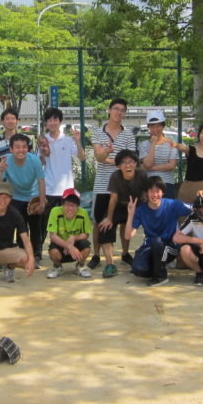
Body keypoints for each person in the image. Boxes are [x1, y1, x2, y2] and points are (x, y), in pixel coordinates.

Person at [89, 98, 137, 270]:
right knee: (99, 222)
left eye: (122, 110)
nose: (119, 112)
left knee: (124, 221)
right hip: (102, 185)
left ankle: (125, 253)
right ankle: (96, 255)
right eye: (116, 109)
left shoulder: (129, 135)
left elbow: (130, 161)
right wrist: (109, 155)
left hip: (123, 186)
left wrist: (111, 159)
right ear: (109, 110)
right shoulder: (97, 132)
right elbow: (98, 157)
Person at [125, 176, 191, 286]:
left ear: (163, 192)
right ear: (146, 193)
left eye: (158, 191)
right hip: (150, 246)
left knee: (157, 241)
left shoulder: (173, 204)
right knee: (138, 270)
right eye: (151, 191)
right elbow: (128, 236)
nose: (155, 195)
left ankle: (161, 276)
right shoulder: (141, 210)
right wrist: (131, 214)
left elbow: (194, 209)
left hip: (170, 246)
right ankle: (157, 267)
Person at [0, 133, 47, 264]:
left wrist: (42, 201)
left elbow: (41, 181)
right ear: (11, 149)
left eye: (24, 147)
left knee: (35, 227)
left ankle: (37, 255)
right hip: (16, 197)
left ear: (28, 148)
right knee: (20, 228)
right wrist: (0, 171)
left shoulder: (34, 160)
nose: (21, 150)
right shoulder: (6, 161)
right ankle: (23, 254)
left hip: (33, 195)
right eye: (17, 147)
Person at [38, 107, 86, 239]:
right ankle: (38, 249)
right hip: (49, 188)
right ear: (46, 123)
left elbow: (82, 157)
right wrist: (42, 151)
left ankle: (65, 248)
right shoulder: (43, 140)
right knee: (44, 223)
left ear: (60, 121)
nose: (52, 122)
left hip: (66, 189)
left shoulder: (68, 140)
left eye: (55, 119)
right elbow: (41, 162)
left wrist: (77, 141)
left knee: (66, 224)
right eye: (49, 120)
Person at [98, 149, 147, 278]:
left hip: (137, 206)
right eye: (124, 163)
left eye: (131, 162)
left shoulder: (142, 175)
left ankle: (126, 254)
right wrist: (109, 218)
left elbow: (147, 194)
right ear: (119, 166)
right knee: (105, 227)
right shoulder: (115, 176)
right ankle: (110, 264)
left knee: (143, 226)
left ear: (136, 163)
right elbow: (113, 198)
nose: (128, 165)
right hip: (119, 206)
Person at [46, 188, 93, 279]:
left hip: (75, 247)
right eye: (67, 204)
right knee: (53, 252)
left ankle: (80, 266)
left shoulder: (83, 213)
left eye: (74, 205)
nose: (70, 208)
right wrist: (68, 246)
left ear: (78, 206)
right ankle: (57, 267)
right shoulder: (55, 211)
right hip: (61, 245)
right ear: (62, 204)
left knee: (86, 246)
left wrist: (74, 238)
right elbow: (53, 236)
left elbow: (86, 234)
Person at [138, 110, 179, 199]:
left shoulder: (171, 143)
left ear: (163, 126)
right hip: (149, 184)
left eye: (158, 126)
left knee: (167, 207)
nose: (155, 129)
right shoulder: (143, 144)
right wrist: (153, 143)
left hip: (167, 183)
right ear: (148, 127)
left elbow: (171, 166)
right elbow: (148, 163)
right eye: (152, 126)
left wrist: (150, 168)